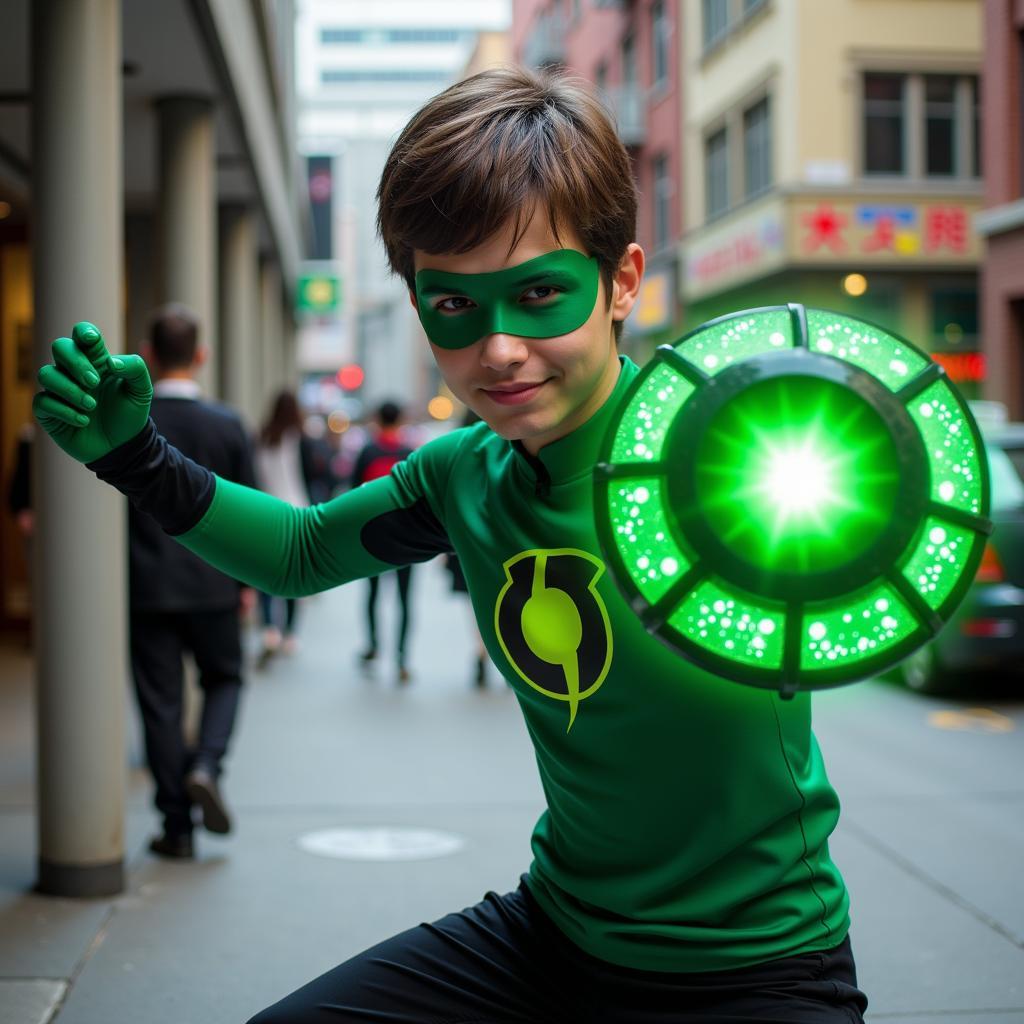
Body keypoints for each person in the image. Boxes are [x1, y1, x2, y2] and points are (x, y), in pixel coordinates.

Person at [34, 67, 867, 1021]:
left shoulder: (724, 454)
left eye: (541, 292)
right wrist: (138, 458)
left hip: (757, 969)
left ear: (622, 281)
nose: (500, 348)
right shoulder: (463, 471)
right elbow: (302, 553)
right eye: (456, 306)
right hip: (555, 937)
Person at [130, 305, 257, 858]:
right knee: (224, 678)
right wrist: (248, 581)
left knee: (160, 704)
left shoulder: (132, 423)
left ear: (151, 356)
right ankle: (207, 762)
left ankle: (175, 828)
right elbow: (250, 509)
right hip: (214, 583)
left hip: (147, 583)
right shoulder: (227, 425)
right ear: (200, 355)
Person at [350, 400, 416, 683]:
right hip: (408, 538)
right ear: (400, 419)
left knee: (373, 595)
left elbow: (354, 494)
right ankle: (402, 658)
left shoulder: (368, 451)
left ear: (378, 419)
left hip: (373, 537)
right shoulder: (409, 453)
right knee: (404, 599)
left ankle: (374, 646)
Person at [254, 389, 310, 664]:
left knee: (265, 574)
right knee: (291, 576)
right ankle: (289, 633)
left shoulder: (262, 436)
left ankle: (269, 628)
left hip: (265, 512)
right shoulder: (300, 437)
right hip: (296, 513)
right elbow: (312, 478)